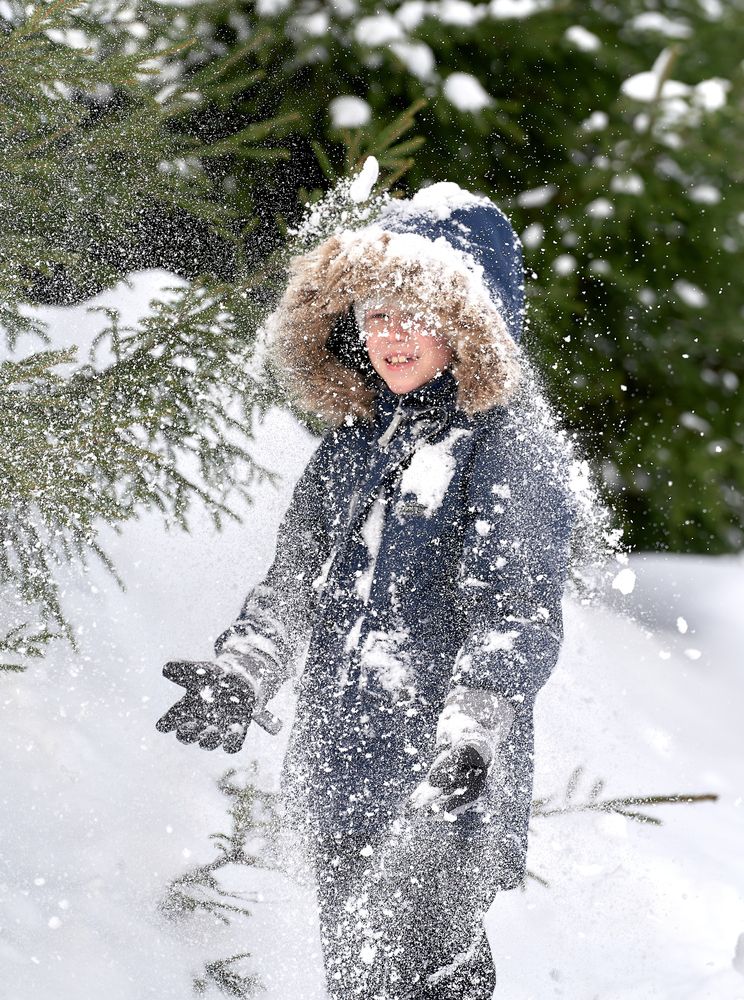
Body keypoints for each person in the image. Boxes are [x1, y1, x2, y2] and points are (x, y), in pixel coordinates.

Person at [156, 182, 576, 998]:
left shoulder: (504, 448)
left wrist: (471, 736)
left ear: (468, 321)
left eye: (413, 312)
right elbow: (295, 581)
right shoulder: (359, 439)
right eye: (375, 312)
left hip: (443, 784)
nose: (388, 334)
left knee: (407, 982)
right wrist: (243, 674)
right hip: (342, 766)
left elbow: (515, 615)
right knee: (360, 979)